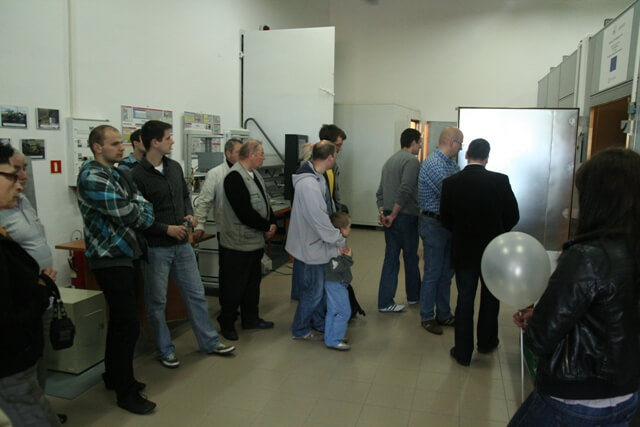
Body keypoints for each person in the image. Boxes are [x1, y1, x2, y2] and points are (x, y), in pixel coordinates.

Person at [509, 147, 640, 426]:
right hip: (627, 395)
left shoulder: (587, 257)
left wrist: (539, 318)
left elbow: (539, 339)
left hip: (574, 398)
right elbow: (613, 317)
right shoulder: (631, 248)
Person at [131, 120, 234, 369]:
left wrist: (189, 214)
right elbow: (137, 216)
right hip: (156, 247)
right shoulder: (136, 176)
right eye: (168, 137)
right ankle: (165, 350)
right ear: (155, 142)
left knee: (196, 294)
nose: (172, 141)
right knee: (157, 302)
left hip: (181, 244)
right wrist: (165, 228)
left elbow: (185, 196)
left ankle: (210, 342)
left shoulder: (174, 167)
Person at [76, 125, 156, 414]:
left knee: (122, 323)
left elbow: (145, 208)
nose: (121, 147)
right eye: (114, 144)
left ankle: (114, 375)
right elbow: (128, 213)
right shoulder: (92, 176)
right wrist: (135, 208)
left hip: (128, 255)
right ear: (97, 147)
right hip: (109, 258)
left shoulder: (119, 173)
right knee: (128, 324)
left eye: (121, 142)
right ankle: (125, 393)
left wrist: (135, 208)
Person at [0, 150, 68, 423]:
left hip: (33, 310)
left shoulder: (23, 201)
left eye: (23, 169)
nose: (21, 180)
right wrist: (38, 289)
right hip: (10, 357)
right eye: (12, 173)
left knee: (39, 366)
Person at [440, 138, 519, 366]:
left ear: (466, 155)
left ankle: (463, 352)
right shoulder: (500, 181)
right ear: (487, 158)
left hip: (464, 249)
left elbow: (445, 219)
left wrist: (461, 232)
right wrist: (498, 232)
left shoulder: (451, 183)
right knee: (491, 297)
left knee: (465, 299)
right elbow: (513, 215)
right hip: (493, 250)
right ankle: (487, 342)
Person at [217, 140, 276, 340]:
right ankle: (227, 323)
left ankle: (251, 318)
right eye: (261, 154)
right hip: (237, 244)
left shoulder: (255, 174)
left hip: (254, 242)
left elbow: (266, 201)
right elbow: (244, 212)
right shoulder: (234, 178)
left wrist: (272, 222)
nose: (263, 157)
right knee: (234, 286)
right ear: (251, 155)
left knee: (252, 283)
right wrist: (266, 226)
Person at [287, 141, 346, 340]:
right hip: (311, 245)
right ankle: (300, 328)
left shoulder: (317, 177)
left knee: (318, 290)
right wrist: (338, 240)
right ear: (330, 157)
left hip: (316, 243)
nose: (336, 157)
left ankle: (318, 322)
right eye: (336, 154)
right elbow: (319, 220)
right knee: (313, 292)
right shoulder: (309, 184)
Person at [418, 126, 463, 334]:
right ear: (452, 142)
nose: (461, 148)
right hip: (433, 224)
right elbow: (452, 192)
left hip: (447, 224)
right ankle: (427, 316)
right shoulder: (434, 163)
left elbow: (460, 186)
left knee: (446, 273)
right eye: (460, 143)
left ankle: (443, 314)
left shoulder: (450, 164)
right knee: (433, 272)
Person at [375, 128, 422, 313]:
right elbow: (405, 189)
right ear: (413, 142)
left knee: (391, 258)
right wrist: (394, 215)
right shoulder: (411, 161)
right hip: (405, 216)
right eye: (419, 143)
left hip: (389, 215)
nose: (420, 146)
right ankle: (414, 296)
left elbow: (380, 192)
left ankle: (385, 301)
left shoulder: (389, 161)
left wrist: (383, 213)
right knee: (410, 257)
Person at [192, 138, 242, 242]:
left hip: (247, 228)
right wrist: (199, 225)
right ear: (228, 154)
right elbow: (204, 201)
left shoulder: (248, 172)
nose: (242, 155)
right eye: (239, 152)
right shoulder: (215, 173)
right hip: (226, 229)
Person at [324, 211, 353, 351]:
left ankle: (331, 337)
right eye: (349, 226)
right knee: (343, 311)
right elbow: (335, 267)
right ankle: (335, 339)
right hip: (335, 283)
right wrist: (348, 258)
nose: (351, 229)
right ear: (341, 230)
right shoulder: (333, 245)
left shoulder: (338, 243)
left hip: (336, 282)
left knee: (333, 311)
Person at [318, 124, 348, 213]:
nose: (340, 149)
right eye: (338, 145)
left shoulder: (333, 166)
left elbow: (334, 196)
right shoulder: (313, 168)